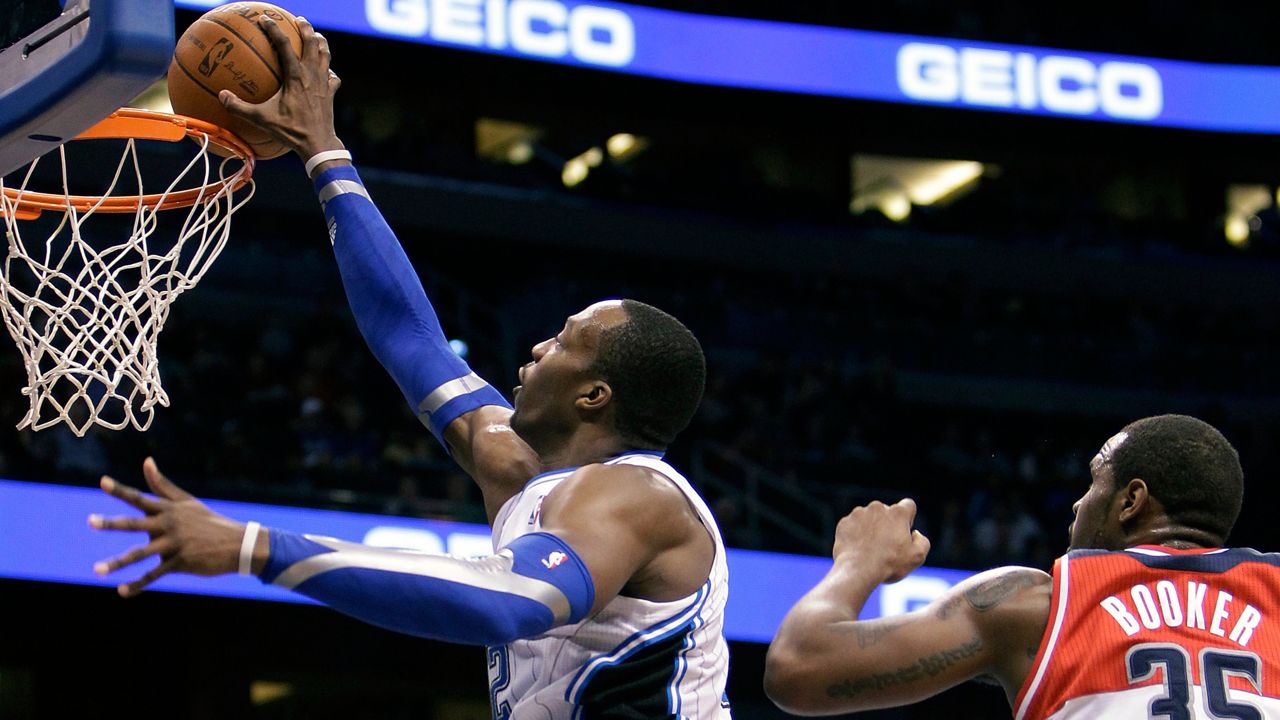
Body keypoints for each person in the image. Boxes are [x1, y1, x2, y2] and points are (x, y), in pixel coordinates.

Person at [88, 15, 731, 719]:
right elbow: (406, 335)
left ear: (594, 395)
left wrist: (255, 547)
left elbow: (514, 602)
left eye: (564, 342)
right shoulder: (514, 465)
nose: (539, 349)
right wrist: (324, 152)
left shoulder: (638, 495)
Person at [764, 414, 1280, 718]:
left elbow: (798, 669)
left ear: (1130, 501)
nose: (1078, 505)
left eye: (1094, 483)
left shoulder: (1035, 605)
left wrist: (859, 561)